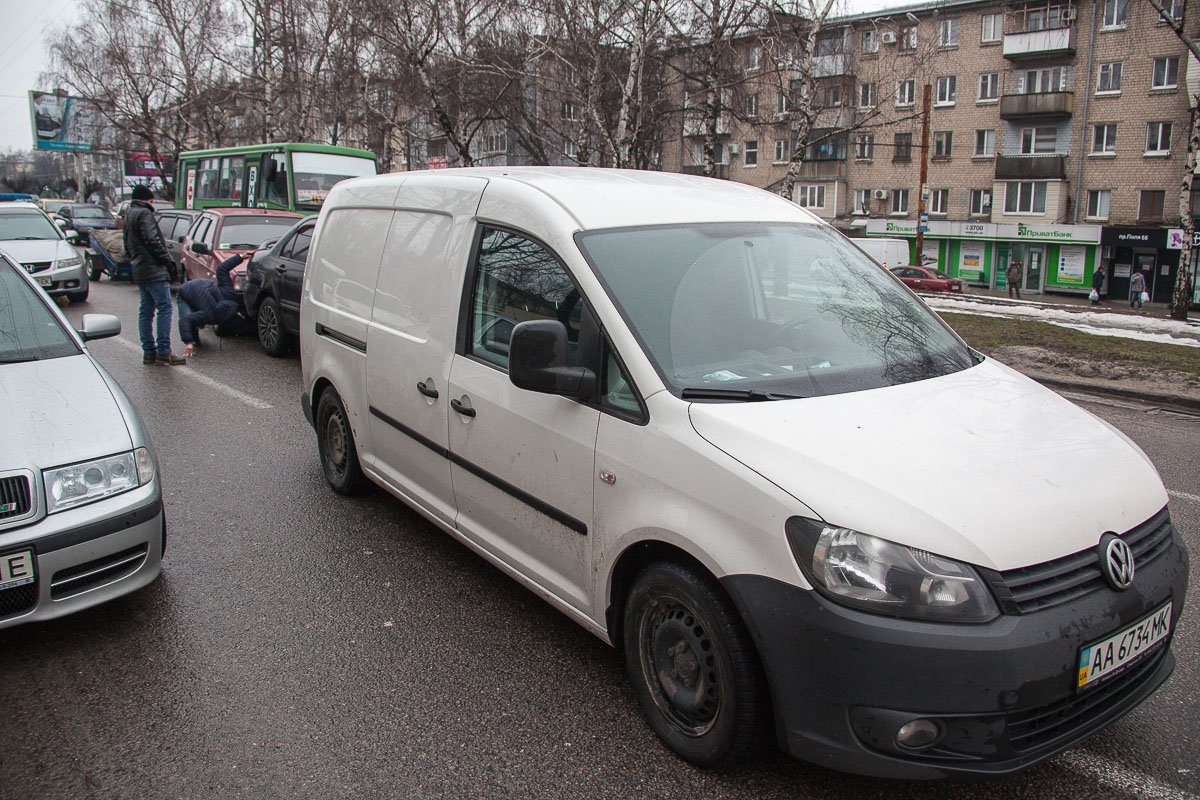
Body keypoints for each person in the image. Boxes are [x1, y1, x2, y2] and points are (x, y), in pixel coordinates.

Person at [124, 184, 184, 365]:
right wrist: (167, 260)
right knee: (165, 308)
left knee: (146, 310)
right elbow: (153, 241)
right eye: (151, 201)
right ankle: (164, 350)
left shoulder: (129, 214)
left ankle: (148, 351)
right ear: (147, 200)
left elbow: (126, 245)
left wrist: (135, 260)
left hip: (140, 268)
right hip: (154, 269)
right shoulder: (144, 214)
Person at [177, 253, 246, 357]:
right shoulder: (210, 315)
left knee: (197, 318)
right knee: (189, 319)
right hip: (185, 292)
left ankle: (194, 336)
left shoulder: (229, 293)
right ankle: (193, 340)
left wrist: (241, 256)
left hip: (202, 287)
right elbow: (185, 320)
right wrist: (188, 342)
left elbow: (222, 269)